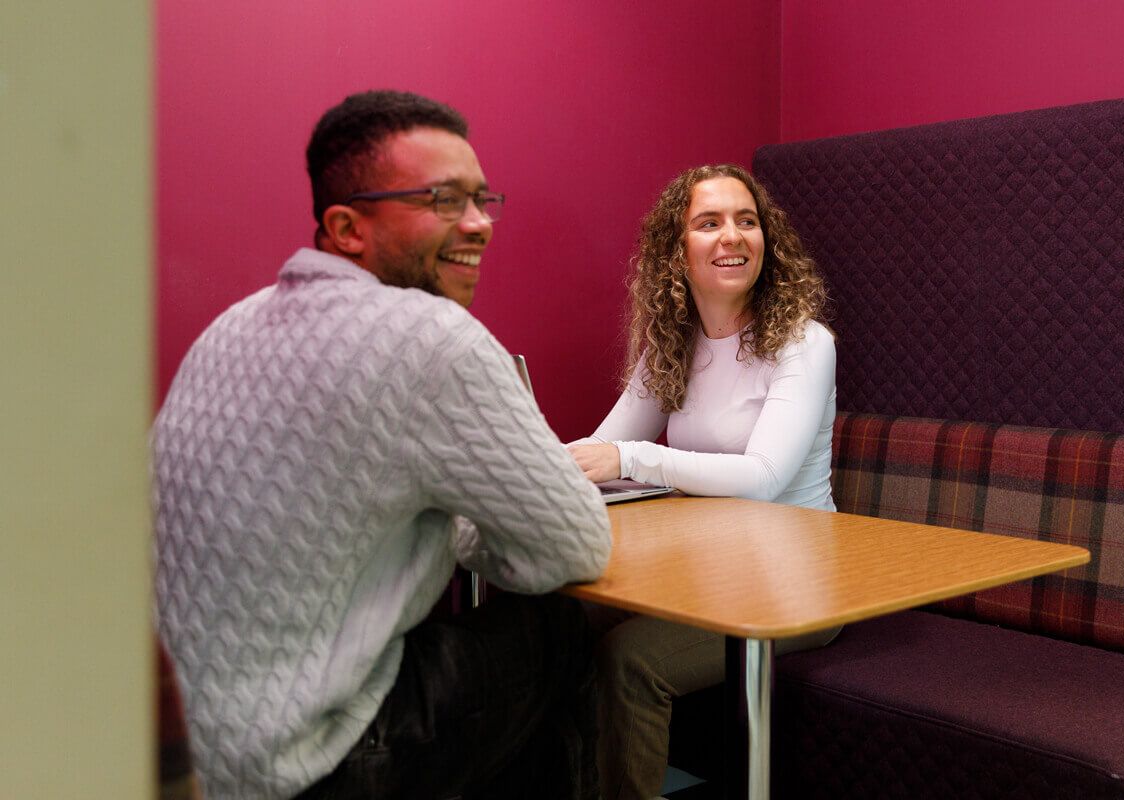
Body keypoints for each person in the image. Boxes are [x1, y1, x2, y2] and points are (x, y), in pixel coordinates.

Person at [154, 90, 612, 800]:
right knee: (555, 628)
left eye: (482, 198)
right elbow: (575, 546)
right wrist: (460, 526)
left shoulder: (231, 324)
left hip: (180, 750)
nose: (480, 224)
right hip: (300, 763)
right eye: (443, 200)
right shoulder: (432, 338)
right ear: (345, 227)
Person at [568, 164, 838, 799]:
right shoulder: (674, 344)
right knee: (560, 616)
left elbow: (763, 479)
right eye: (708, 223)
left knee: (631, 659)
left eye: (747, 222)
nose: (732, 236)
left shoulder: (805, 343)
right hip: (706, 570)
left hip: (801, 582)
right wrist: (524, 470)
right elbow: (603, 449)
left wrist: (634, 459)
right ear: (676, 251)